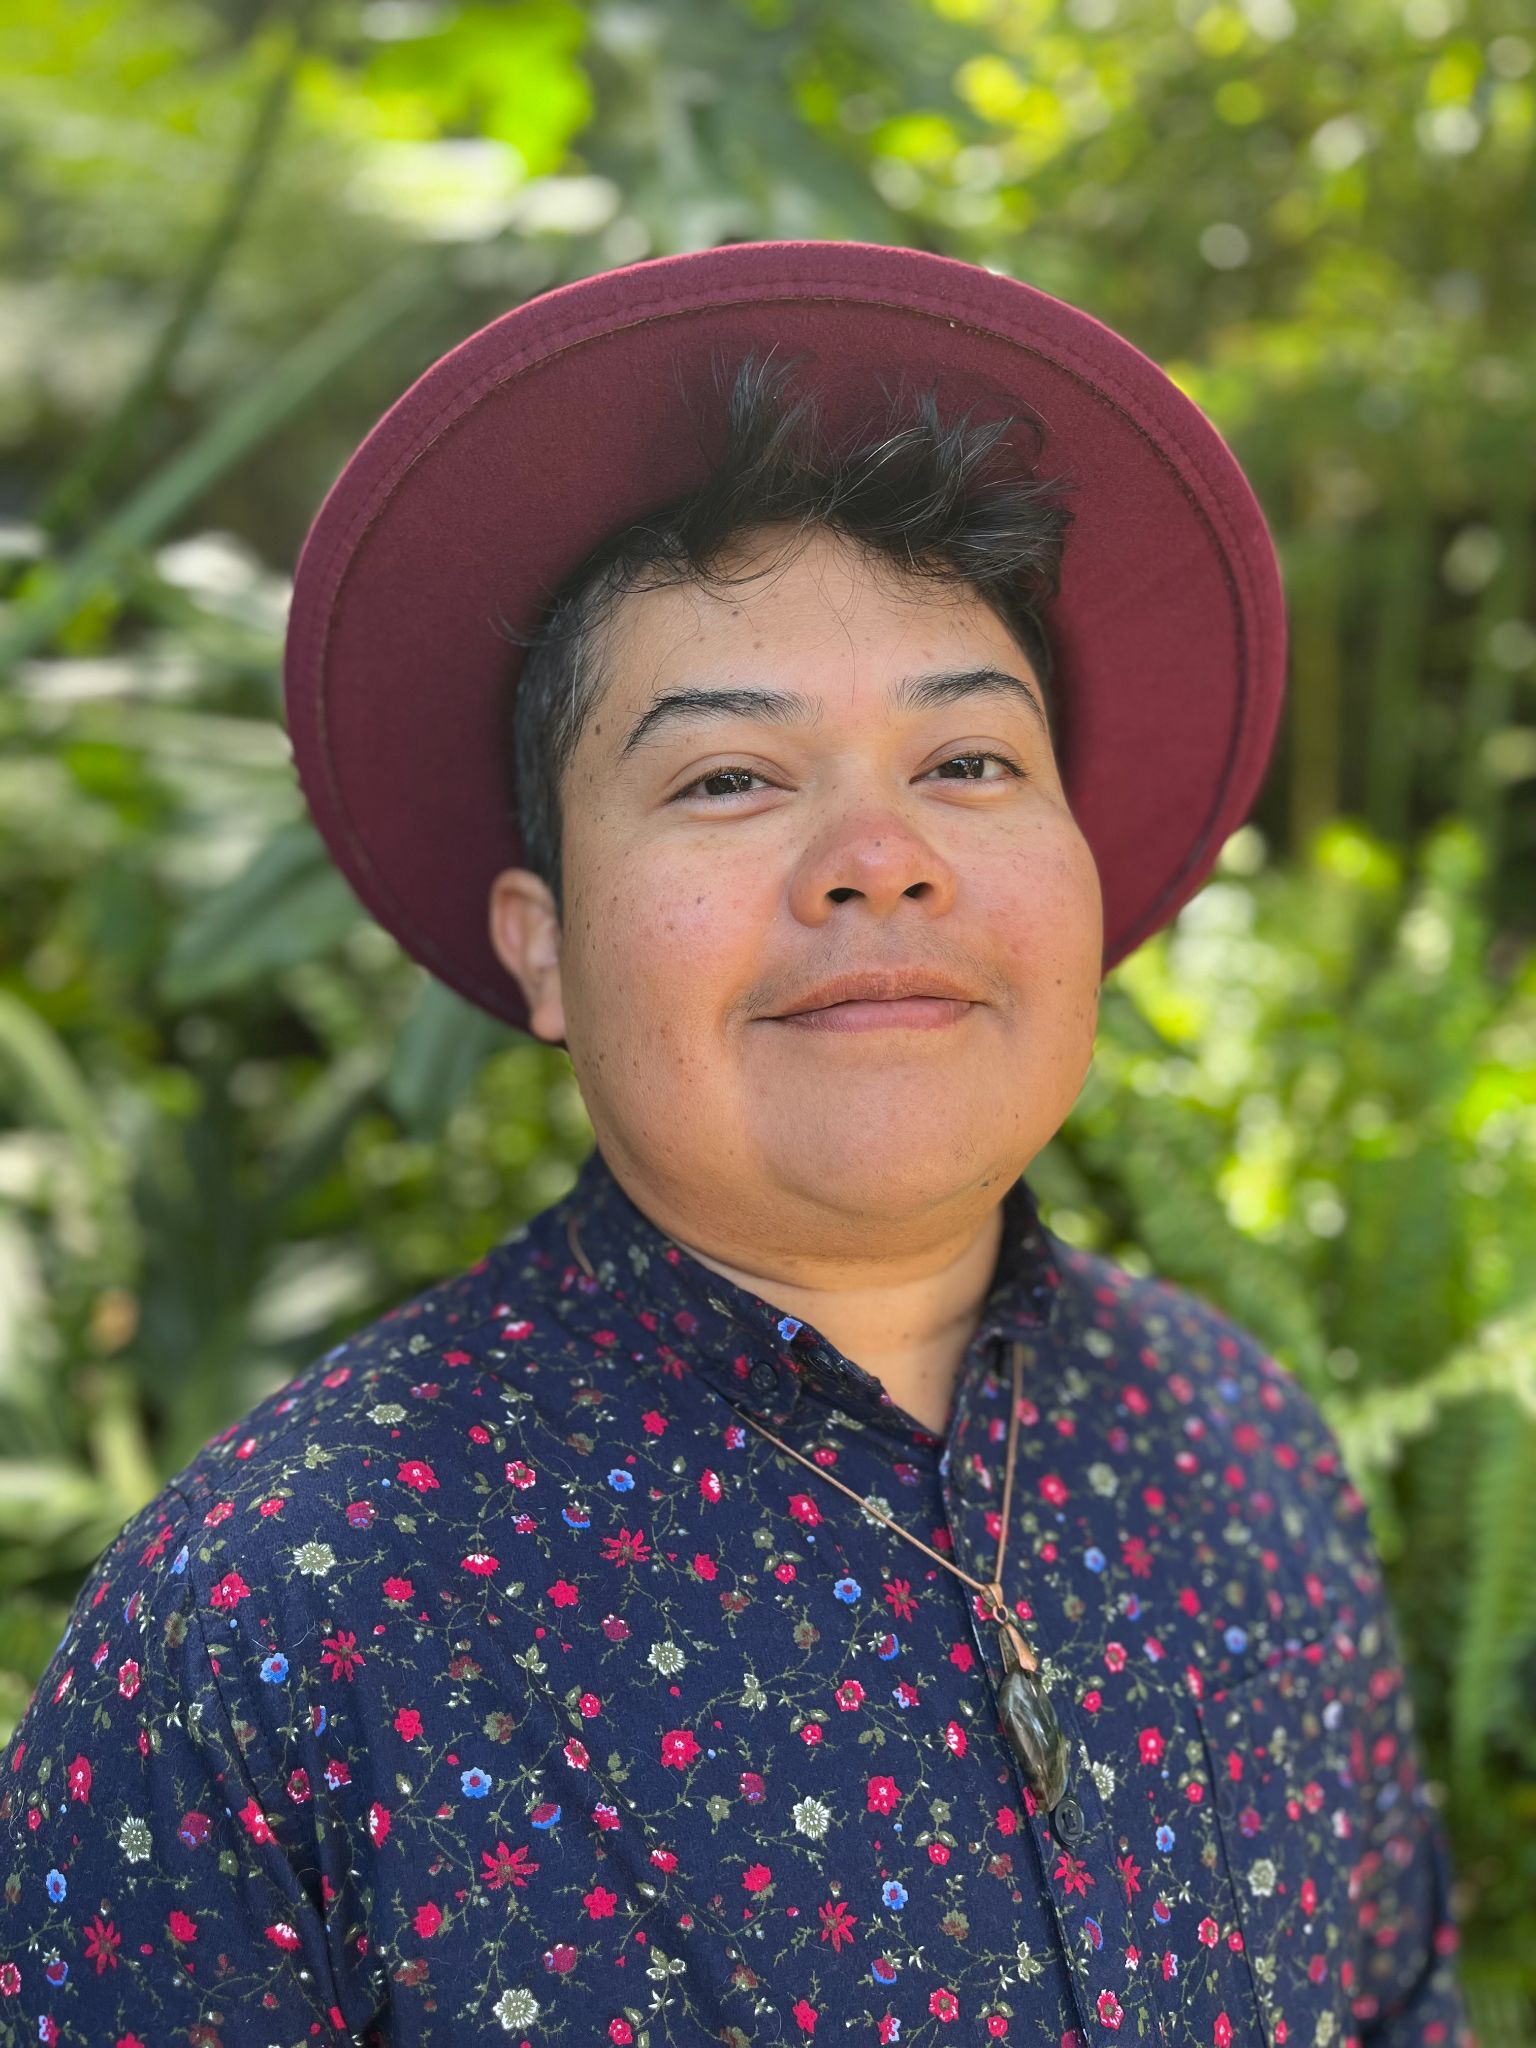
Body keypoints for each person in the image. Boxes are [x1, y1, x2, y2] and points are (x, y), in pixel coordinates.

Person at [0, 242, 1473, 2048]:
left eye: (970, 764)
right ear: (546, 947)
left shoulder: (1243, 1449)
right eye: (727, 779)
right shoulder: (270, 1626)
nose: (880, 858)